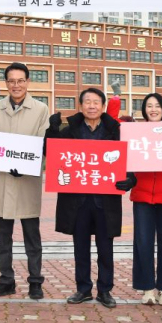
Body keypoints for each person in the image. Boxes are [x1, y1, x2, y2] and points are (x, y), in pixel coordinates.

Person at [46, 87, 124, 309]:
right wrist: (51, 131)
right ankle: (83, 289)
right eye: (87, 102)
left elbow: (128, 159)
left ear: (103, 106)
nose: (91, 106)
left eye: (96, 102)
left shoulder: (114, 130)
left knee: (105, 248)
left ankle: (105, 290)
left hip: (105, 199)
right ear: (80, 106)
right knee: (80, 247)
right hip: (77, 199)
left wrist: (130, 179)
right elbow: (50, 154)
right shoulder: (69, 130)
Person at [0, 62, 50, 300]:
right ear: (6, 84)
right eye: (11, 81)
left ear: (27, 82)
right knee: (3, 237)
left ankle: (35, 281)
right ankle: (6, 280)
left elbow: (44, 145)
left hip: (26, 182)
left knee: (32, 236)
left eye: (20, 80)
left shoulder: (41, 109)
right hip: (1, 181)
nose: (16, 85)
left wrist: (29, 165)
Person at [125, 93, 162, 306]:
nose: (153, 109)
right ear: (144, 110)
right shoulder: (137, 133)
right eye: (149, 106)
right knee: (143, 242)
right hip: (142, 195)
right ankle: (147, 288)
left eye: (157, 106)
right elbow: (127, 157)